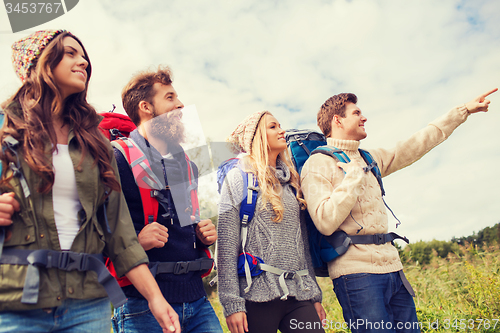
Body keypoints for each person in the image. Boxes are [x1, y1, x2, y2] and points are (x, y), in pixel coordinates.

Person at [0, 30, 180, 333]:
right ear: (39, 63)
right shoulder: (5, 128)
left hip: (87, 303)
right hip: (17, 303)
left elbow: (120, 232)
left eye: (83, 55)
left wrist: (155, 298)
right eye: (70, 53)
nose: (83, 61)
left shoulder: (95, 142)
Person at [300, 89, 497, 333]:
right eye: (357, 113)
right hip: (357, 275)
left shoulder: (369, 158)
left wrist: (463, 111)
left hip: (394, 269)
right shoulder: (317, 164)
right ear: (337, 120)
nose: (364, 118)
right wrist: (352, 179)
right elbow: (325, 221)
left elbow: (417, 143)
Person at [113, 66, 222, 333]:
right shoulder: (116, 160)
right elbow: (99, 235)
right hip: (141, 304)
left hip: (197, 299)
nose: (181, 104)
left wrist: (203, 235)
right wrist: (136, 241)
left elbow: (184, 226)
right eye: (170, 97)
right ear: (146, 107)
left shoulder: (187, 165)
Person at [218, 110, 326, 333]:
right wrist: (231, 303)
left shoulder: (291, 182)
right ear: (257, 137)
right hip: (255, 296)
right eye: (273, 126)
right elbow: (226, 246)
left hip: (299, 293)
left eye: (280, 126)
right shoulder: (237, 179)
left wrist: (314, 292)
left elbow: (302, 244)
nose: (282, 131)